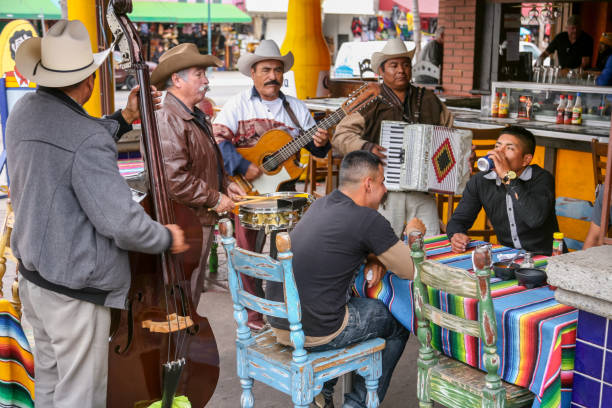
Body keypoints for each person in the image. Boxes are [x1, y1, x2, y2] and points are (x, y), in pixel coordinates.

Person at [6, 20, 188, 407]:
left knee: (52, 386)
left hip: (35, 279)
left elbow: (70, 142)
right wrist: (166, 236)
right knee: (80, 396)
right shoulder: (85, 138)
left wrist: (124, 117)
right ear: (87, 80)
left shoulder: (24, 111)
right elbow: (122, 225)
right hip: (74, 290)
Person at [266, 150, 425, 408]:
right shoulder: (367, 219)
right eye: (383, 182)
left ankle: (323, 391)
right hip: (315, 331)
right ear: (368, 184)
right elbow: (410, 269)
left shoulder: (321, 203)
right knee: (398, 318)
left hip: (279, 320)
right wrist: (413, 232)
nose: (385, 190)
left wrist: (374, 258)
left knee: (346, 303)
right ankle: (357, 404)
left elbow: (339, 248)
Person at [213, 39, 331, 331]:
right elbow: (216, 141)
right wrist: (243, 166)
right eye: (266, 69)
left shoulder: (295, 108)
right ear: (253, 73)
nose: (273, 76)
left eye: (278, 70)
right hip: (248, 192)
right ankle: (253, 315)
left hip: (285, 194)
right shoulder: (237, 104)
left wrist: (321, 142)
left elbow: (315, 151)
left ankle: (280, 311)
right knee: (248, 255)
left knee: (287, 254)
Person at [150, 43, 245, 306]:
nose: (206, 81)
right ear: (177, 79)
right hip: (183, 221)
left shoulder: (192, 114)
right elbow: (173, 179)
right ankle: (179, 347)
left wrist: (226, 185)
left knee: (189, 294)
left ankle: (185, 344)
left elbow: (205, 161)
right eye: (199, 74)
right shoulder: (169, 116)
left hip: (196, 217)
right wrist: (215, 198)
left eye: (205, 74)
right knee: (182, 296)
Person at [333, 38, 453, 238]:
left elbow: (450, 135)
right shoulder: (371, 102)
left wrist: (458, 156)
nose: (401, 70)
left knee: (431, 243)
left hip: (422, 190)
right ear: (381, 72)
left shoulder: (429, 100)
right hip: (384, 190)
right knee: (384, 242)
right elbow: (341, 136)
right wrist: (366, 147)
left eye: (406, 65)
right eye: (394, 65)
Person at [446, 126, 560, 255]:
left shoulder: (541, 178)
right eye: (497, 146)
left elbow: (534, 219)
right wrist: (456, 235)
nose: (499, 152)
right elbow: (458, 221)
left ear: (525, 160)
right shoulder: (481, 181)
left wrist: (507, 176)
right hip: (508, 258)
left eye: (509, 148)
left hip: (547, 257)